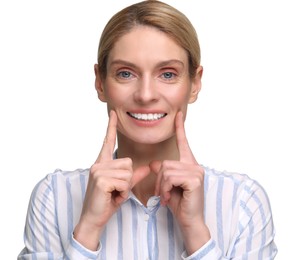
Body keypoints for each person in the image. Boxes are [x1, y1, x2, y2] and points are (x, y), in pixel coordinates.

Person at [18, 0, 277, 259]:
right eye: (126, 74)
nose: (146, 95)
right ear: (100, 82)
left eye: (167, 74)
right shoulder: (53, 198)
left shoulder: (243, 202)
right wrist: (88, 229)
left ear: (195, 84)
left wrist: (196, 233)